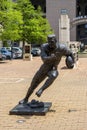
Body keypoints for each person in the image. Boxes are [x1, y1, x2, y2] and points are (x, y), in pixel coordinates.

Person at [19, 34, 75, 104]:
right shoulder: (44, 47)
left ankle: (41, 90)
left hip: (53, 68)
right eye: (49, 42)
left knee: (54, 75)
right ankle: (26, 98)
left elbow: (70, 54)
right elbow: (44, 59)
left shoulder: (62, 48)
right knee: (33, 84)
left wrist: (72, 62)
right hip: (44, 68)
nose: (50, 44)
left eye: (52, 42)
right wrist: (52, 57)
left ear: (56, 41)